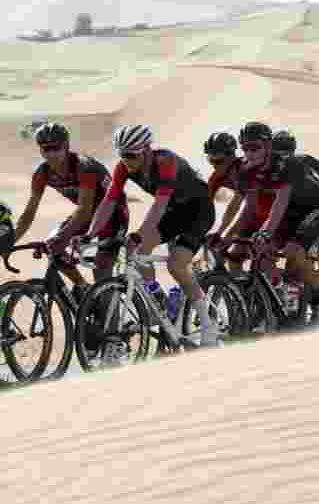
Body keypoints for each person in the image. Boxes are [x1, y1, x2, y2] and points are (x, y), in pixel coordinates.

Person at [83, 124, 219, 351]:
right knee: (136, 251)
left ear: (146, 150)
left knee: (176, 264)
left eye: (131, 155)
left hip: (198, 211)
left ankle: (208, 322)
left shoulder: (166, 162)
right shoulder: (123, 167)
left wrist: (138, 234)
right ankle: (159, 299)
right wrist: (90, 234)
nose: (126, 160)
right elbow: (109, 201)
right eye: (122, 154)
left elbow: (159, 205)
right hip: (174, 212)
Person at [235, 121, 319, 324]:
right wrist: (240, 235)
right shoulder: (252, 170)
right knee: (262, 250)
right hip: (292, 211)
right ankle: (285, 295)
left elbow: (282, 201)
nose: (249, 153)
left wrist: (266, 231)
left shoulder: (294, 164)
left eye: (255, 147)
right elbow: (253, 209)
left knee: (295, 251)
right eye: (245, 148)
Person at [14, 123, 129, 298]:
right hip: (88, 215)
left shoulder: (84, 166)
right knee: (53, 246)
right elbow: (28, 215)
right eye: (46, 149)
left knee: (102, 276)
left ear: (66, 146)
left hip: (113, 215)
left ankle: (109, 321)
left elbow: (84, 210)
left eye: (56, 148)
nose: (51, 153)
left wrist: (64, 237)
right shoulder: (42, 173)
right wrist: (10, 241)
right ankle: (84, 289)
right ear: (40, 150)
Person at [270, 128, 319, 272]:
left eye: (284, 154)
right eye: (277, 155)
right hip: (309, 206)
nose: (281, 159)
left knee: (316, 242)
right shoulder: (277, 171)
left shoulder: (303, 163)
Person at [204, 131, 276, 272]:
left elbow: (243, 209)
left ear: (231, 156)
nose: (214, 166)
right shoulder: (216, 178)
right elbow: (204, 207)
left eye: (218, 161)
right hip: (255, 217)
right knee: (234, 260)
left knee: (262, 263)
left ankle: (278, 290)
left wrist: (225, 235)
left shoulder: (246, 169)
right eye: (211, 161)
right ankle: (243, 294)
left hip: (273, 215)